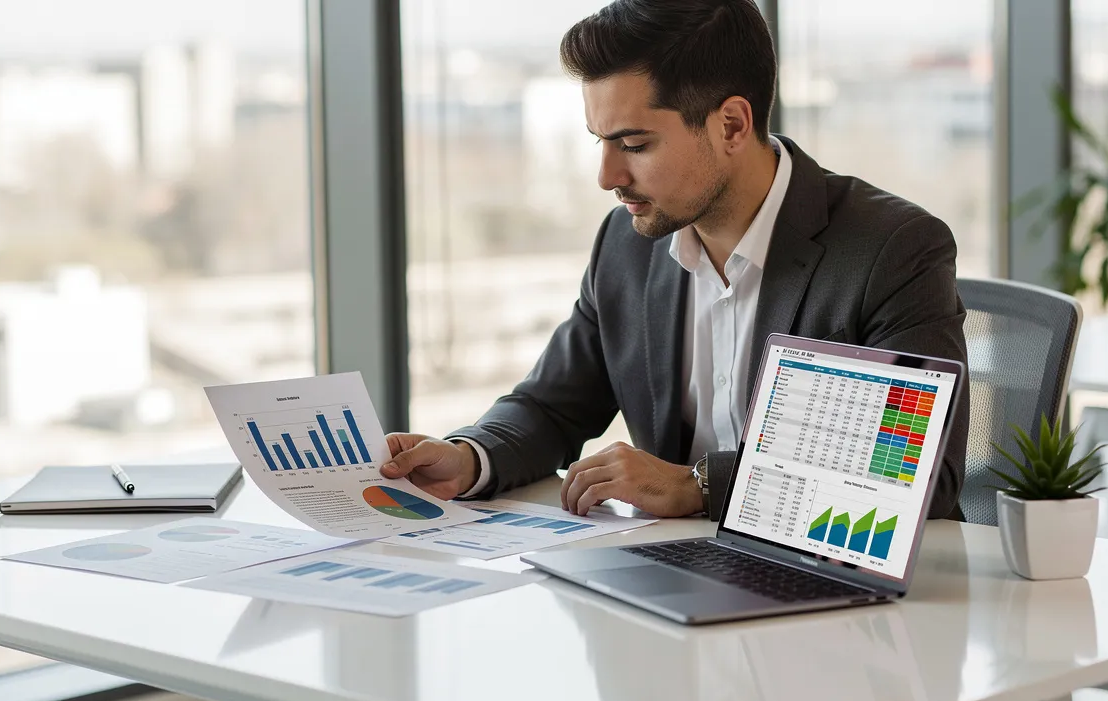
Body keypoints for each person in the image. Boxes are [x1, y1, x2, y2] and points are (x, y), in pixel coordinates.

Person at [381, 0, 970, 522]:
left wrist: (698, 485)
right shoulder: (627, 244)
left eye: (635, 146)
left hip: (839, 603)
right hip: (670, 577)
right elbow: (552, 406)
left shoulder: (892, 248)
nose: (608, 177)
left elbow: (919, 477)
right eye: (601, 142)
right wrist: (468, 456)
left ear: (732, 125)